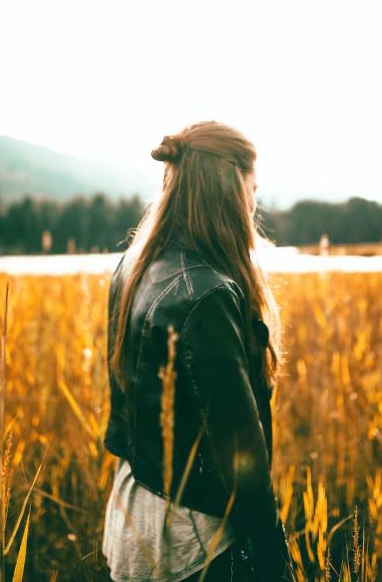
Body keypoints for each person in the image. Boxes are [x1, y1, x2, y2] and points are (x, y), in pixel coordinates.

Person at [101, 121, 295, 582]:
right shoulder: (208, 296)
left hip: (132, 512)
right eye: (252, 189)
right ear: (230, 190)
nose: (254, 205)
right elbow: (239, 457)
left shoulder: (133, 265)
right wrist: (274, 561)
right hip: (192, 539)